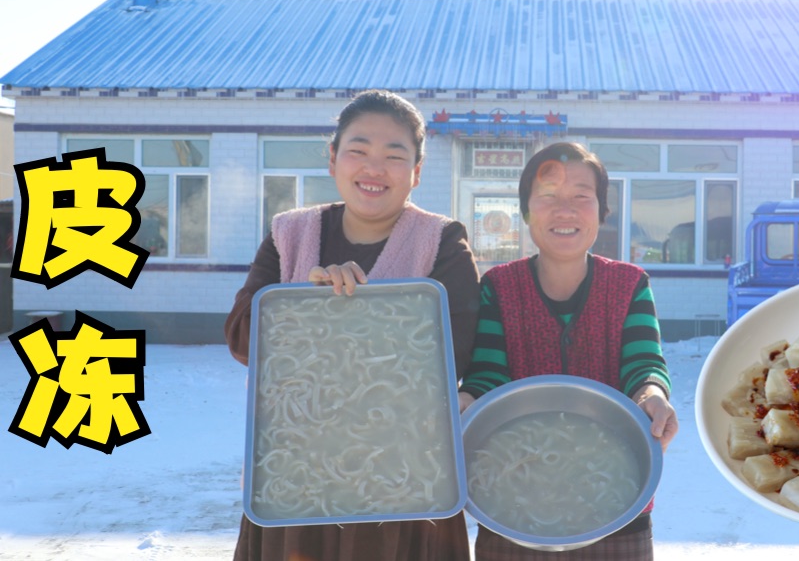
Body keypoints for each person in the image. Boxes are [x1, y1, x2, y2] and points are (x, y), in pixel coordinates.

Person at [225, 89, 481, 561]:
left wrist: (347, 323)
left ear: (417, 172)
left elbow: (453, 353)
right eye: (358, 151)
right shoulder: (289, 235)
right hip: (297, 470)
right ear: (333, 159)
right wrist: (305, 300)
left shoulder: (441, 242)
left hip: (405, 477)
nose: (373, 168)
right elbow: (242, 336)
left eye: (394, 155)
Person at [458, 141, 678, 561]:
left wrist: (653, 397)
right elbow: (488, 374)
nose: (565, 210)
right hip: (513, 499)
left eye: (581, 196)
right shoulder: (499, 286)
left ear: (601, 211)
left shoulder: (630, 284)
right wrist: (466, 401)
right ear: (525, 211)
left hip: (616, 499)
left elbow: (644, 364)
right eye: (548, 197)